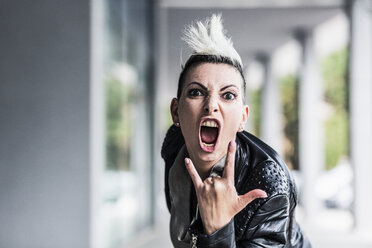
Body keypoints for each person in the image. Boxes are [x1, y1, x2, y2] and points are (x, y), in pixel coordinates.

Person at [161, 14, 311, 248]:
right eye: (196, 92)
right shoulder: (174, 149)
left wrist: (217, 229)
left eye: (228, 95)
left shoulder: (266, 183)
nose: (211, 105)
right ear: (176, 112)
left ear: (243, 117)